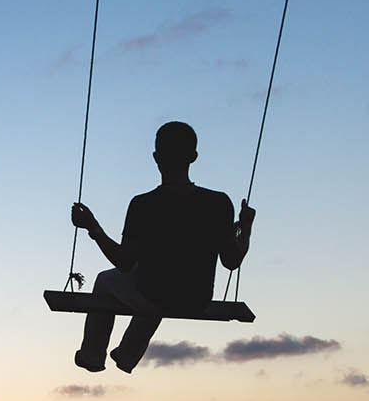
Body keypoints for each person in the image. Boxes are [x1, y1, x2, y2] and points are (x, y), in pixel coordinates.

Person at [69, 120, 254, 373]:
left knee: (111, 281)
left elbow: (123, 262)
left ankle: (92, 354)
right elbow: (231, 261)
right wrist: (245, 227)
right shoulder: (218, 203)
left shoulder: (144, 205)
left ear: (156, 157)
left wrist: (93, 227)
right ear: (194, 157)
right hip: (196, 296)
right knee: (158, 282)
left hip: (155, 294)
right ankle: (126, 355)